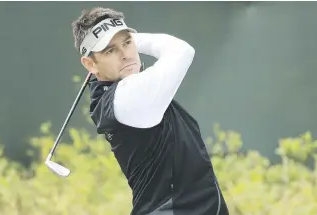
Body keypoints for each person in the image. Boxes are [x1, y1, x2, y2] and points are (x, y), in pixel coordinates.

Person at [71, 7, 230, 215]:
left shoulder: (112, 96)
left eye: (127, 43)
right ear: (90, 63)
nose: (125, 55)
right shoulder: (127, 97)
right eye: (110, 50)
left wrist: (123, 36)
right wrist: (134, 38)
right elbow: (181, 50)